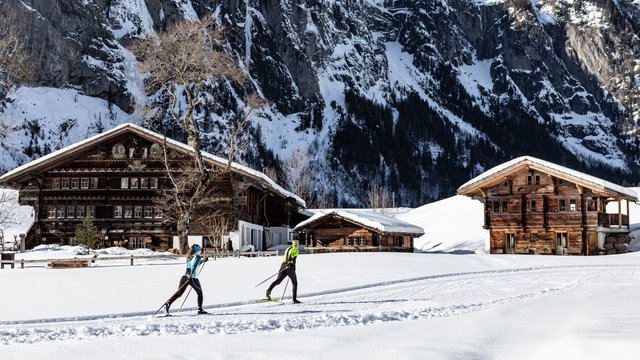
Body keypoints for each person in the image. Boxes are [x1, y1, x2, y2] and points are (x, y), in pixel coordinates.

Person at [164, 244, 209, 315]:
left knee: (179, 294)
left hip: (185, 277)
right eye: (200, 250)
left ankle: (167, 304)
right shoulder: (197, 256)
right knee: (200, 293)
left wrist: (203, 261)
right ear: (197, 251)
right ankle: (200, 310)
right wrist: (191, 274)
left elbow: (194, 265)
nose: (201, 251)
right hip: (192, 278)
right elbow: (194, 266)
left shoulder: (189, 256)